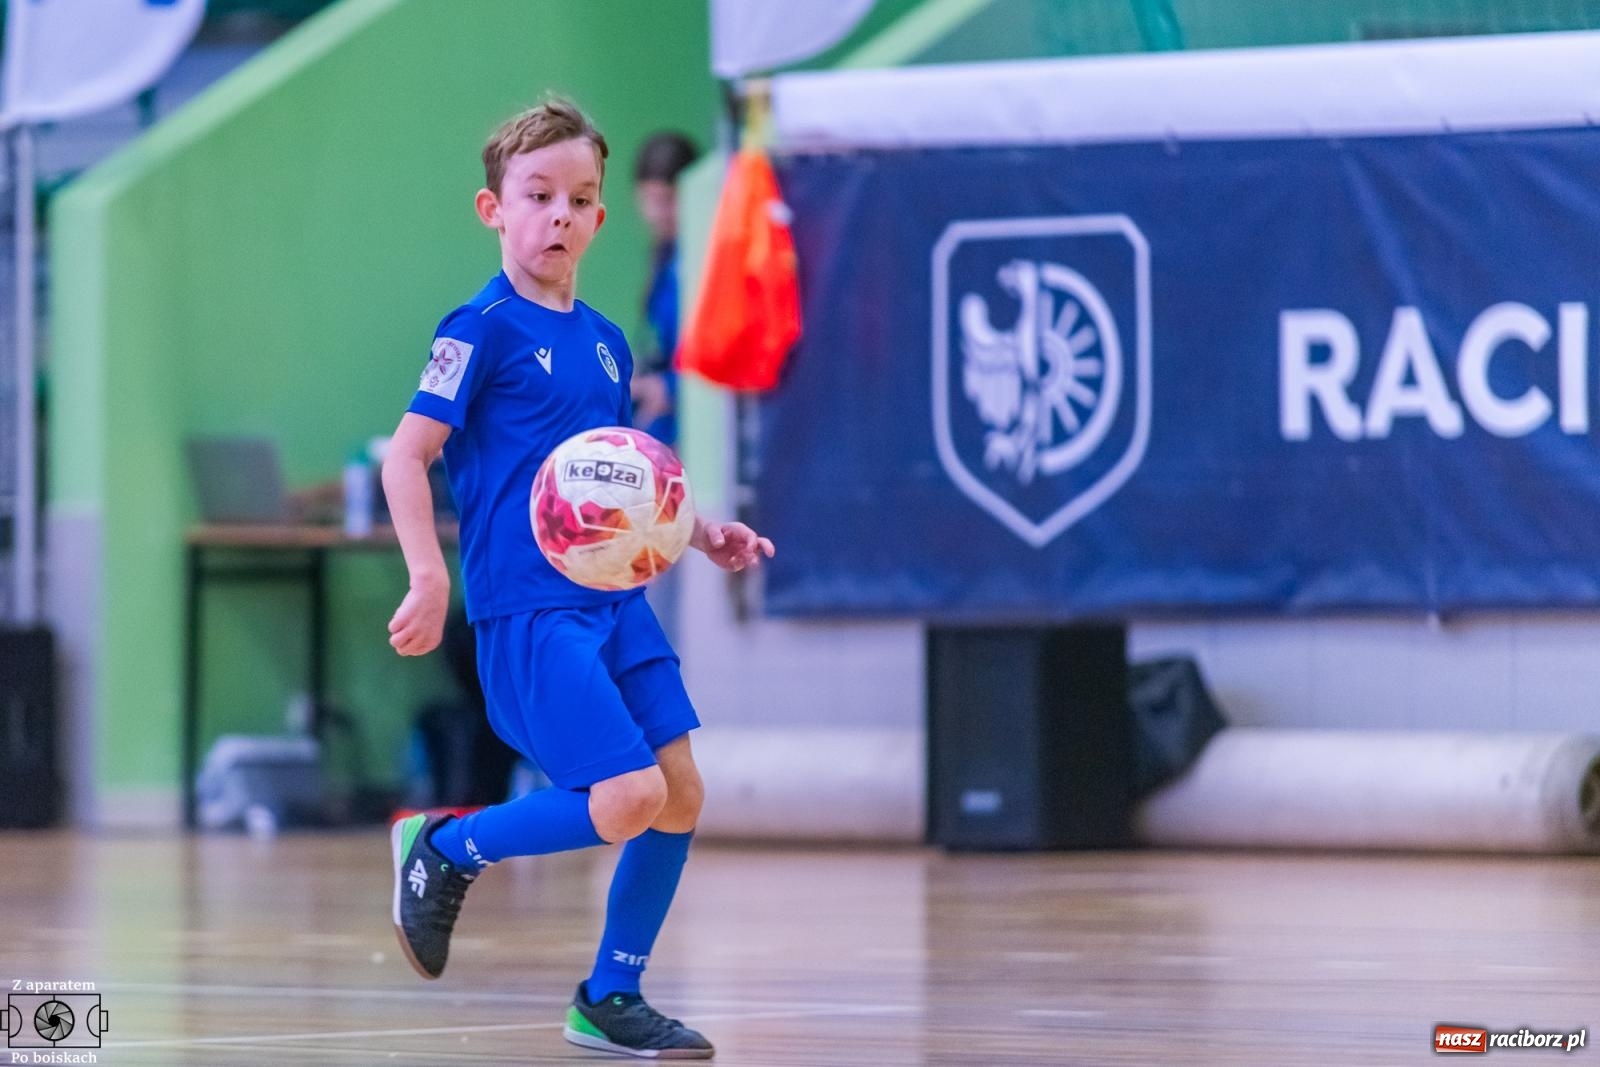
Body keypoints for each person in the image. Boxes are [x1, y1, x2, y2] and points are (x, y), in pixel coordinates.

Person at [382, 99, 773, 1061]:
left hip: (614, 602)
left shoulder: (603, 341)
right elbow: (405, 458)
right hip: (530, 612)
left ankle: (609, 995)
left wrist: (699, 529)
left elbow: (615, 488)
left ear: (603, 218)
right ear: (493, 209)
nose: (559, 215)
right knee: (628, 795)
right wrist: (428, 576)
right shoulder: (477, 328)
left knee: (679, 794)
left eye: (580, 199)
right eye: (538, 196)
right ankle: (445, 847)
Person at [630, 131, 700, 447]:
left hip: (695, 420)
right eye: (650, 200)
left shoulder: (702, 258)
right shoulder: (665, 254)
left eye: (667, 200)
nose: (658, 213)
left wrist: (668, 388)